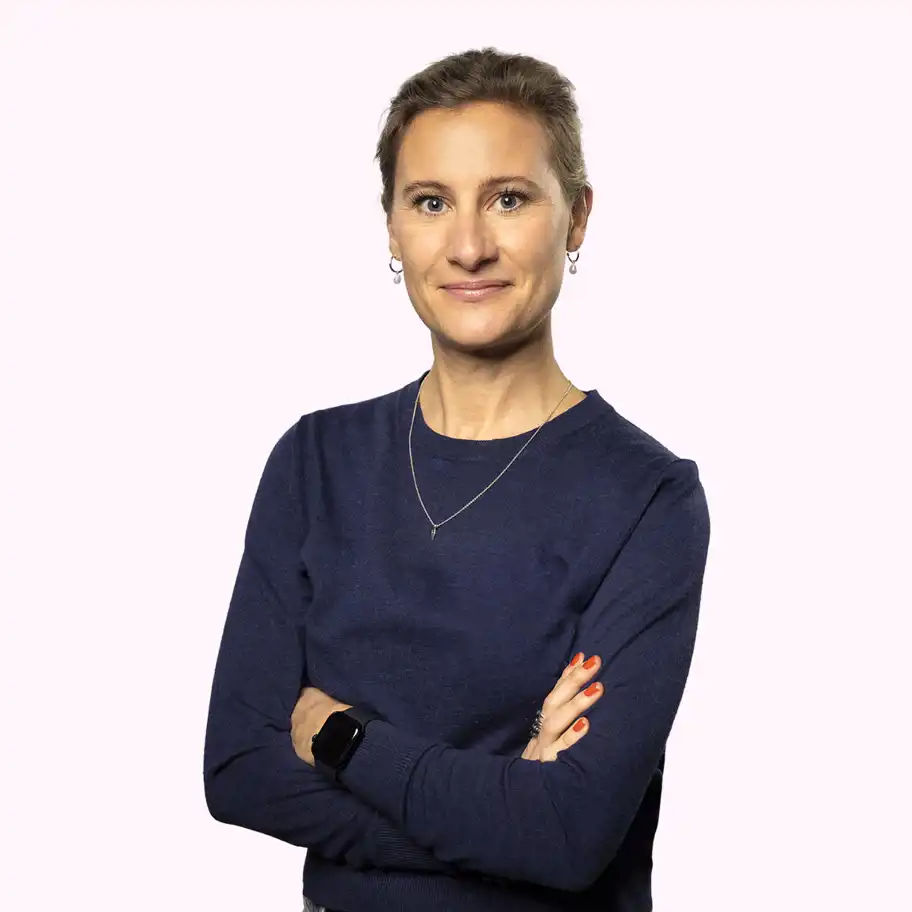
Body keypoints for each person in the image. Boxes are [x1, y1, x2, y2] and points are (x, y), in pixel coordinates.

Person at [203, 46, 711, 912]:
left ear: (576, 218)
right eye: (431, 202)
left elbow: (570, 833)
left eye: (509, 198)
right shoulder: (316, 462)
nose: (469, 246)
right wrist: (504, 816)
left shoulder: (647, 499)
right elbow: (239, 769)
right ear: (393, 228)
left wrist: (342, 738)